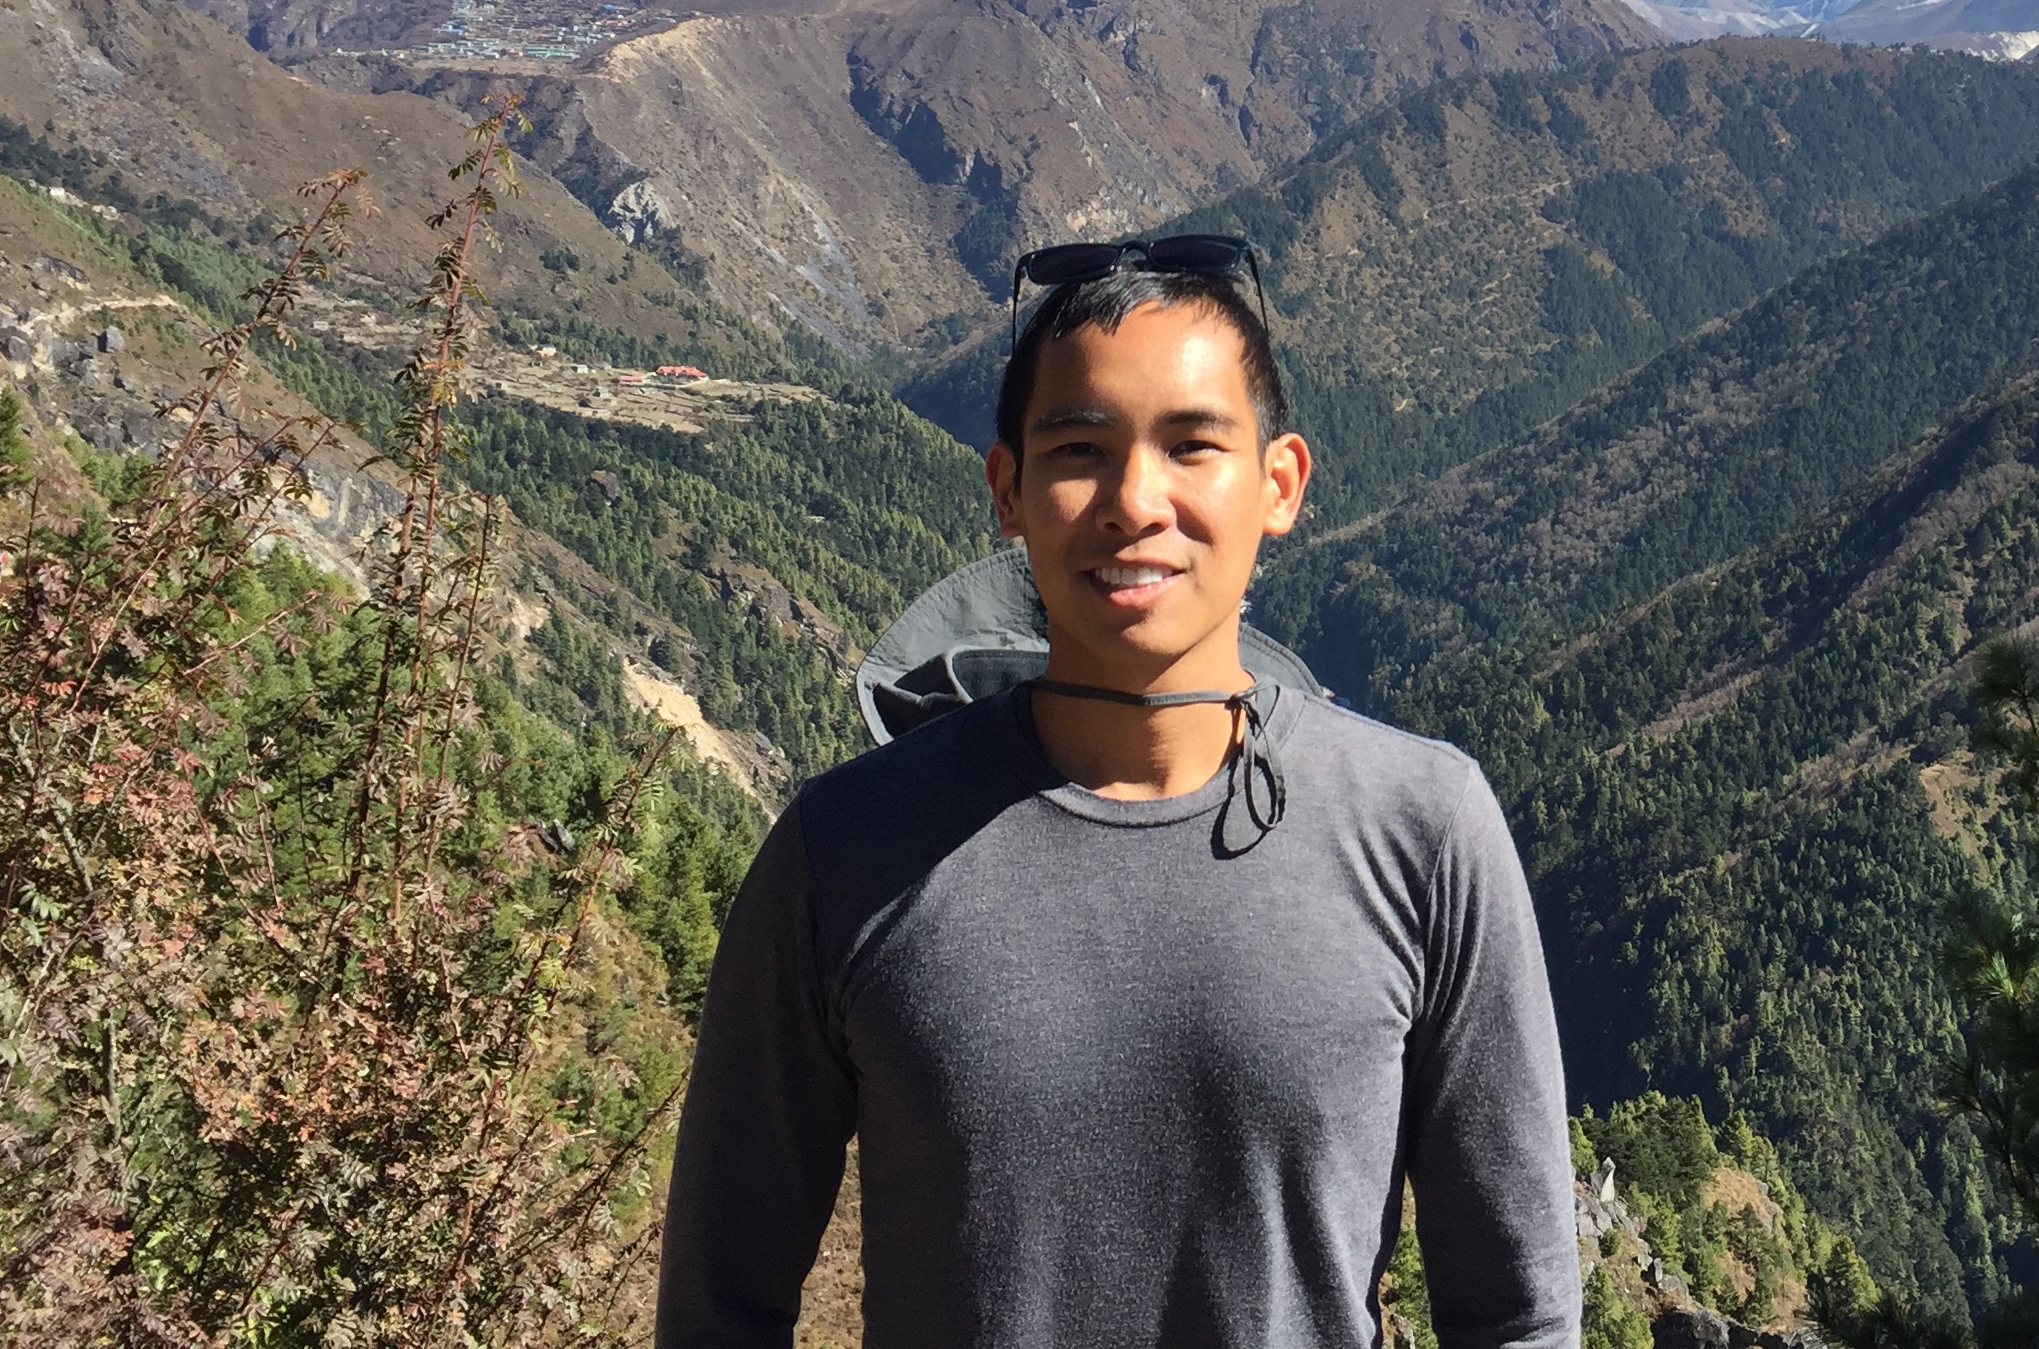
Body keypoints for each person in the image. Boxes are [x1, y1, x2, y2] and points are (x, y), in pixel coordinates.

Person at [655, 238, 1582, 1348]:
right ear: (1009, 490)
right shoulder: (844, 853)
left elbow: (1520, 1315)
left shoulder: (1426, 830)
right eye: (1079, 449)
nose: (1135, 500)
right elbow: (721, 1303)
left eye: (1193, 445)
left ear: (1279, 483)